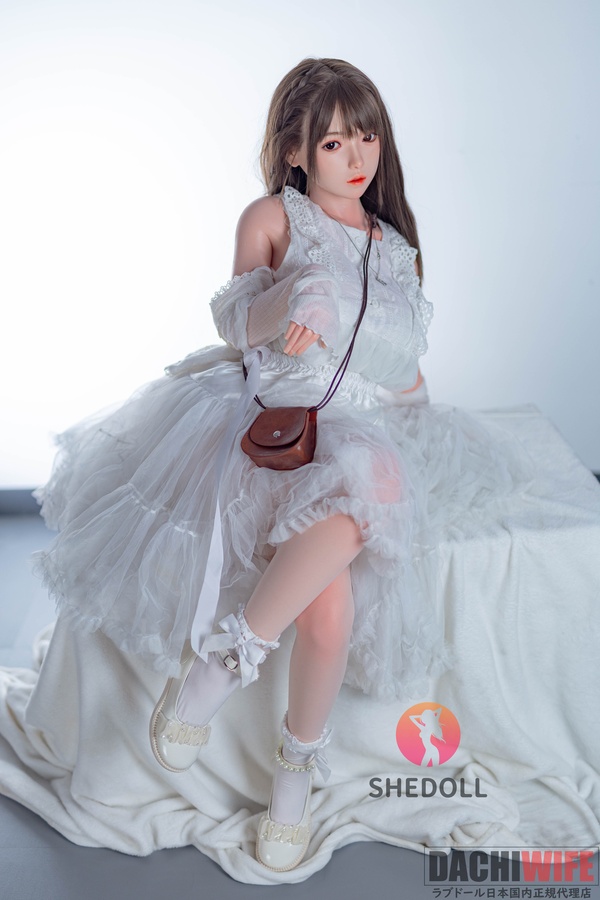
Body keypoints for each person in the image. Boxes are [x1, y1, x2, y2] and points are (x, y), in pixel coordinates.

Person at [23, 57, 533, 873]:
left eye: (366, 136)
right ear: (296, 152)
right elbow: (236, 323)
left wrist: (377, 352)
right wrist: (294, 298)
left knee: (366, 501)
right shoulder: (272, 217)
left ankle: (244, 691)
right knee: (330, 591)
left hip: (358, 423)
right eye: (333, 143)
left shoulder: (393, 250)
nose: (356, 157)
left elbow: (401, 365)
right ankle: (268, 732)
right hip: (273, 415)